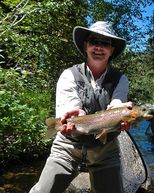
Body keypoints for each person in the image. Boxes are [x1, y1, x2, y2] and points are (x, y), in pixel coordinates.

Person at [30, 21, 133, 193]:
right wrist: (75, 115)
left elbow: (116, 104)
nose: (99, 47)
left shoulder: (120, 79)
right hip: (68, 147)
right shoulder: (69, 75)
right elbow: (72, 107)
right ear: (86, 45)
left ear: (112, 50)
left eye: (105, 43)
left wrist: (120, 113)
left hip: (105, 151)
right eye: (94, 41)